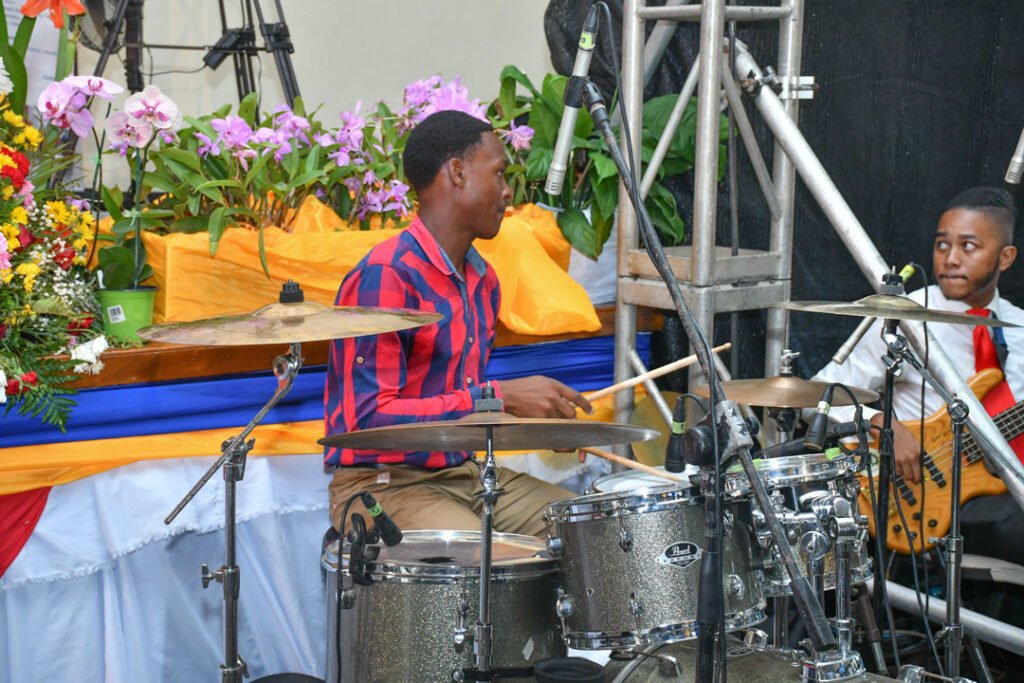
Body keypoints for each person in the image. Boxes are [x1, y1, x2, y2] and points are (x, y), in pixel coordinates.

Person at [323, 110, 593, 538]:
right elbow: (367, 423)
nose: (507, 192)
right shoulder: (386, 275)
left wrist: (540, 426)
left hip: (465, 476)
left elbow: (457, 405)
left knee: (587, 532)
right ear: (457, 173)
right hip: (382, 486)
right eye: (499, 174)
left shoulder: (483, 281)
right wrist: (498, 398)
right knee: (483, 558)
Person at [813, 186, 1024, 563]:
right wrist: (880, 424)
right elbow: (821, 395)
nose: (950, 259)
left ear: (1005, 257)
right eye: (942, 245)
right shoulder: (904, 316)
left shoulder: (1019, 327)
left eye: (969, 246)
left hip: (996, 484)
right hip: (919, 491)